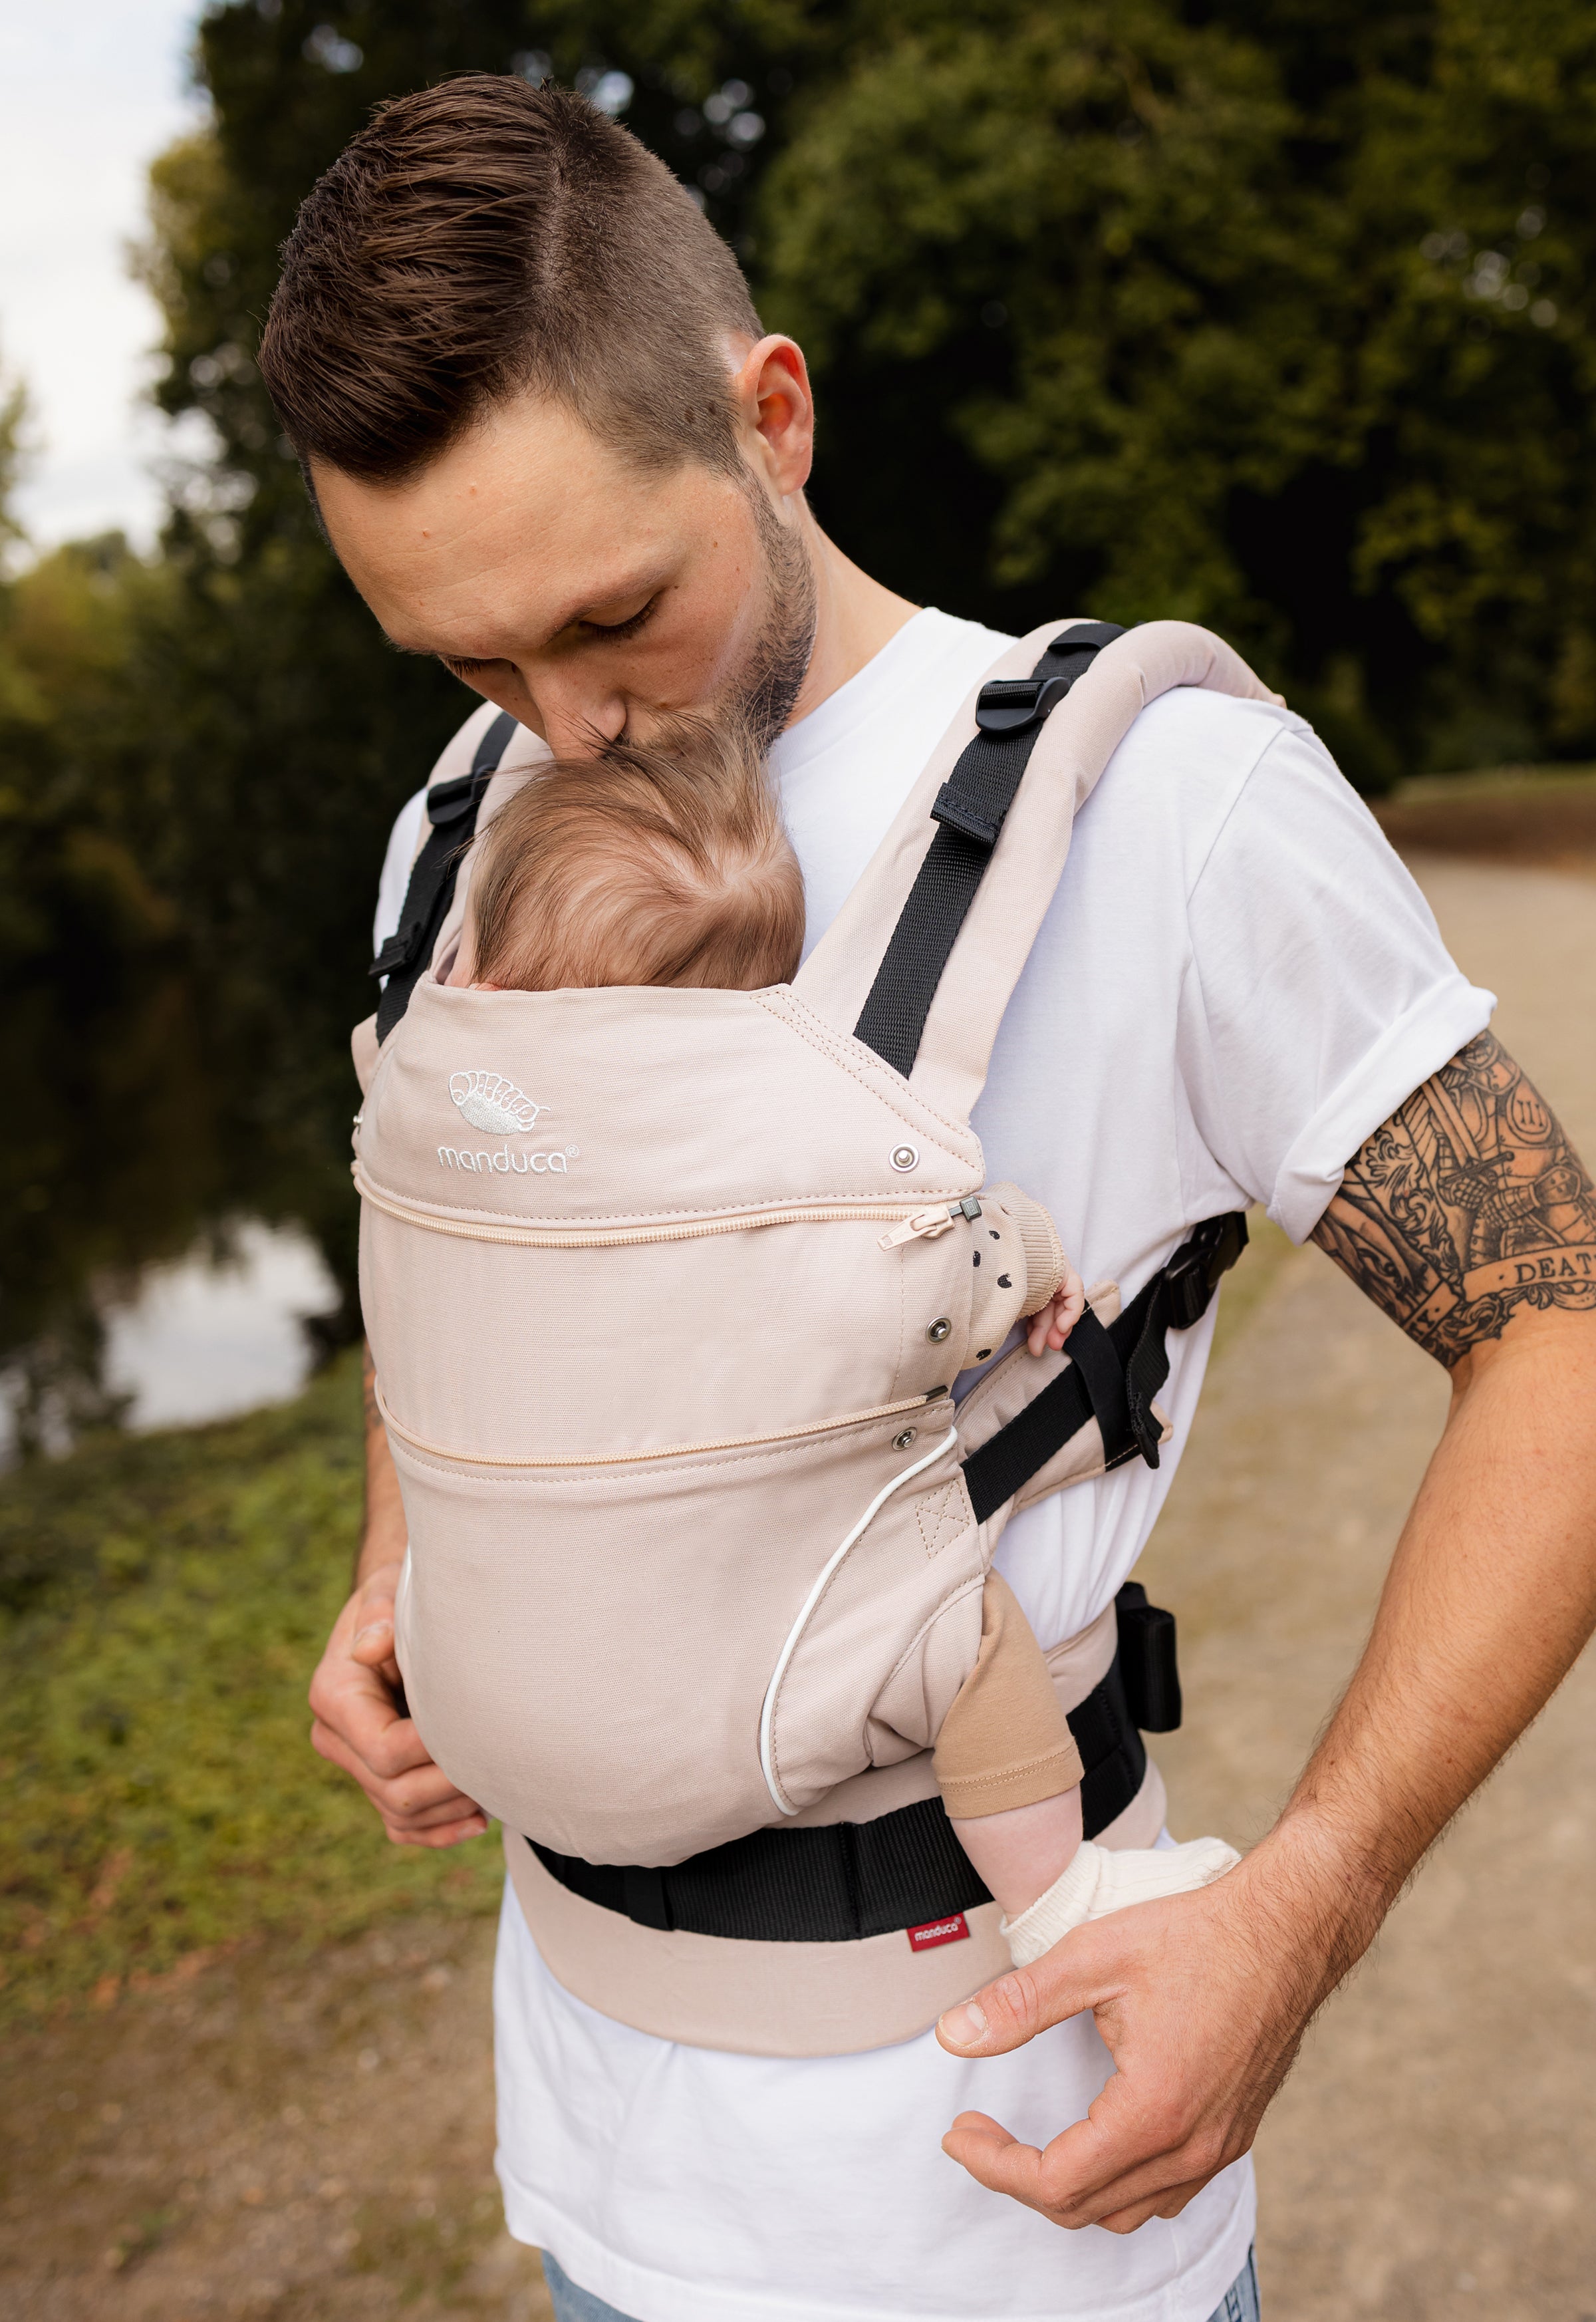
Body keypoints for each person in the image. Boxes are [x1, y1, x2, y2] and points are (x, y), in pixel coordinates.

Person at [271, 74, 1596, 2322]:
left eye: (612, 615)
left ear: (769, 415)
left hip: (1002, 2210)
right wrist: (404, 1570)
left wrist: (1308, 1897)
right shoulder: (453, 835)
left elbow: (1559, 1330)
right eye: (471, 661)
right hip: (598, 2158)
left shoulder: (1166, 808)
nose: (560, 726)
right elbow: (482, 1259)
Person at [444, 713, 1236, 1953]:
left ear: (482, 976)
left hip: (478, 1711)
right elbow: (920, 1282)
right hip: (750, 1712)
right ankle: (1055, 1896)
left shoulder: (419, 1145)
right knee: (965, 1635)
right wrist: (1027, 1252)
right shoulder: (782, 1183)